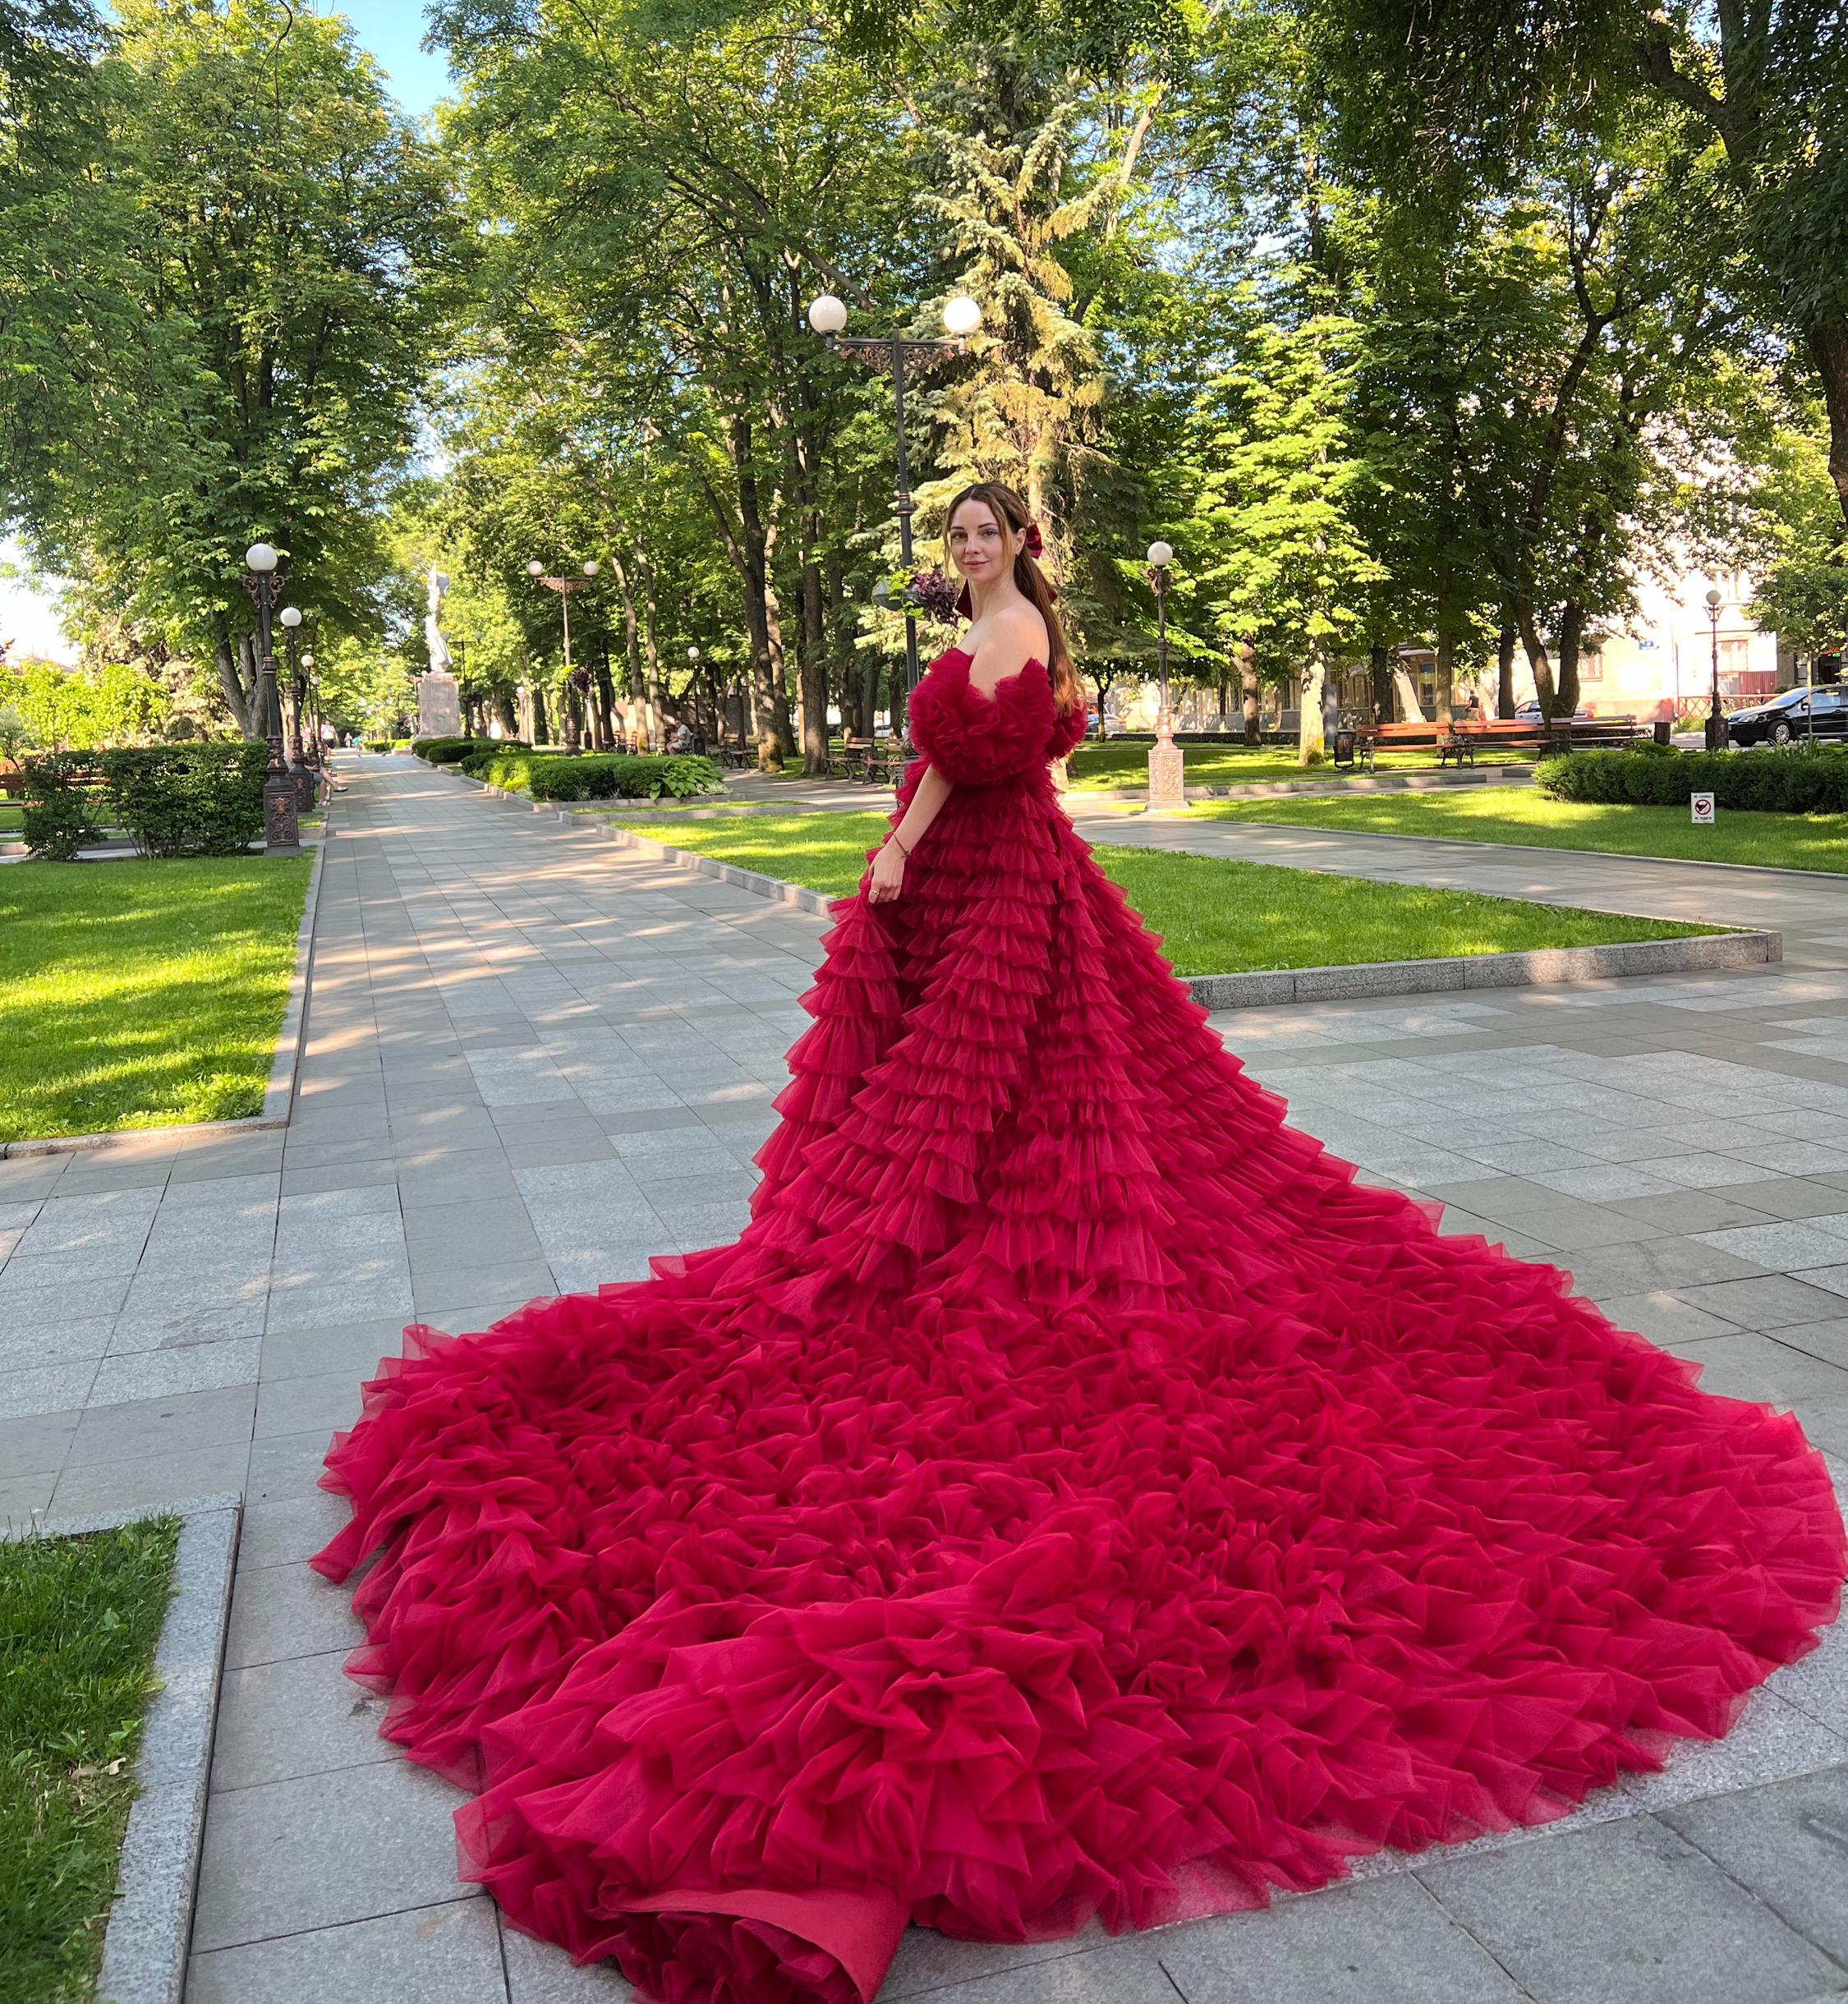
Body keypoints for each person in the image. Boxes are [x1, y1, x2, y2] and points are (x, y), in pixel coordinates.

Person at [314, 480, 1845, 2004]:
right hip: (1015, 875)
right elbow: (1008, 740)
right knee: (1007, 1110)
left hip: (994, 885)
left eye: (987, 533)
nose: (971, 549)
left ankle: (998, 1263)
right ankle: (974, 1245)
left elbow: (950, 765)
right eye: (960, 535)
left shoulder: (1009, 627)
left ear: (1019, 545)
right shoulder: (1003, 622)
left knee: (1005, 1101)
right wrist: (920, 825)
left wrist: (900, 852)